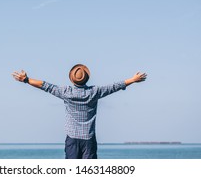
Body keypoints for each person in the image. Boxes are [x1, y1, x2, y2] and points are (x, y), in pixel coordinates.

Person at [12, 64, 147, 159]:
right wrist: (133, 80)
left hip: (72, 139)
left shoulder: (65, 92)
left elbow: (45, 85)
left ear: (71, 78)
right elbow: (115, 86)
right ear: (87, 77)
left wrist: (26, 80)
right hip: (88, 140)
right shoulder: (95, 92)